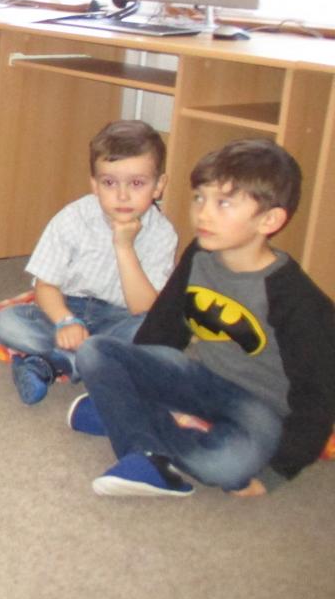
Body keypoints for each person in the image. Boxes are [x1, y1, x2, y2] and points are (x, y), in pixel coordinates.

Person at [71, 139, 335, 498]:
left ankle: (124, 418)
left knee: (225, 466)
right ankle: (148, 457)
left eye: (223, 203)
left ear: (269, 219)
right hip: (200, 379)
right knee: (94, 351)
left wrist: (277, 472)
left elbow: (318, 396)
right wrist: (143, 376)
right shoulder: (200, 254)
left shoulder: (294, 298)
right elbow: (164, 325)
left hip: (258, 407)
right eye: (199, 198)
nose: (203, 214)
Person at [0, 120, 178, 405]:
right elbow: (45, 286)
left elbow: (143, 308)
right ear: (95, 185)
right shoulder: (72, 218)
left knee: (154, 333)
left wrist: (124, 247)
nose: (123, 195)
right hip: (68, 307)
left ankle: (51, 364)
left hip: (120, 318)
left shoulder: (163, 233)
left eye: (137, 183)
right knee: (7, 322)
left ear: (159, 186)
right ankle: (92, 361)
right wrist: (66, 321)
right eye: (109, 183)